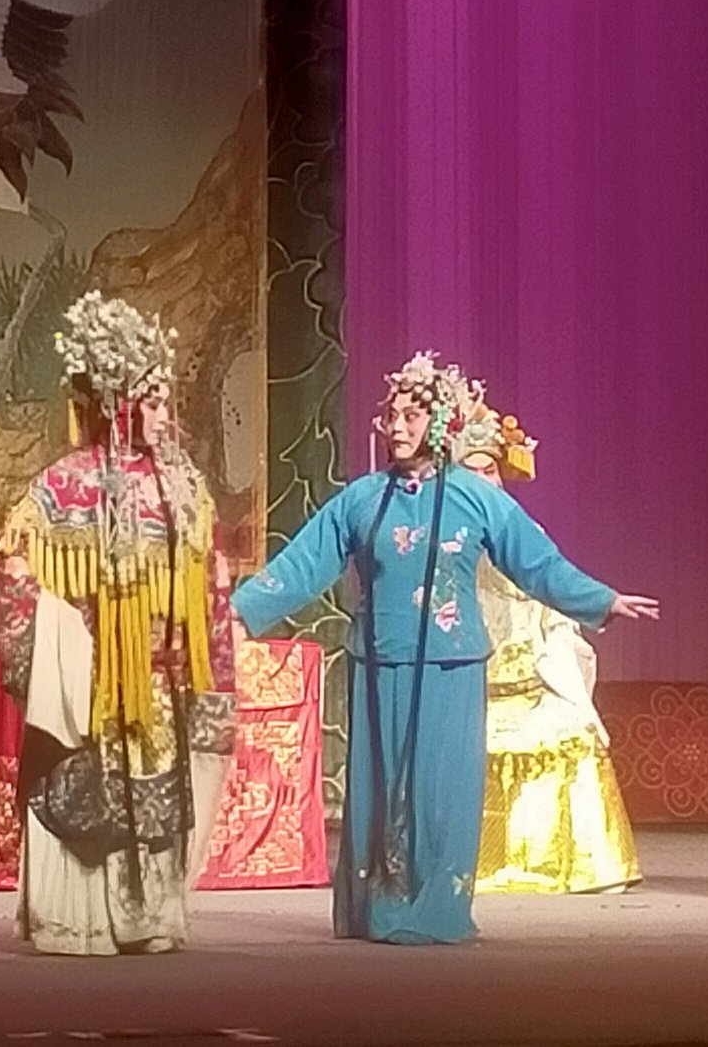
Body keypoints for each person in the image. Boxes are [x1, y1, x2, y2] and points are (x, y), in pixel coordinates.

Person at [231, 352, 658, 944]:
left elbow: (535, 561)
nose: (397, 427)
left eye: (412, 416)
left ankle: (437, 911)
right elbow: (304, 562)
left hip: (451, 663)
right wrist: (241, 611)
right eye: (392, 415)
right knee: (381, 789)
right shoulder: (362, 499)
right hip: (379, 661)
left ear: (438, 424)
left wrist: (601, 600)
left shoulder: (476, 497)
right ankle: (377, 912)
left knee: (440, 792)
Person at [0, 291, 235, 955]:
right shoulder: (63, 486)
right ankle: (82, 922)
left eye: (165, 401)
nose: (164, 416)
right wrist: (58, 652)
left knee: (158, 801)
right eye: (150, 402)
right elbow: (7, 573)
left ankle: (151, 918)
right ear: (118, 404)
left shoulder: (183, 487)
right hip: (90, 688)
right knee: (86, 798)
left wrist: (212, 670)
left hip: (160, 688)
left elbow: (213, 586)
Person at [447, 389, 639, 896]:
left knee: (573, 734)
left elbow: (549, 582)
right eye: (470, 471)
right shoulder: (442, 537)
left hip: (531, 680)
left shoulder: (520, 528)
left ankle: (581, 865)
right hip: (464, 687)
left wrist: (597, 606)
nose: (482, 481)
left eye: (490, 470)